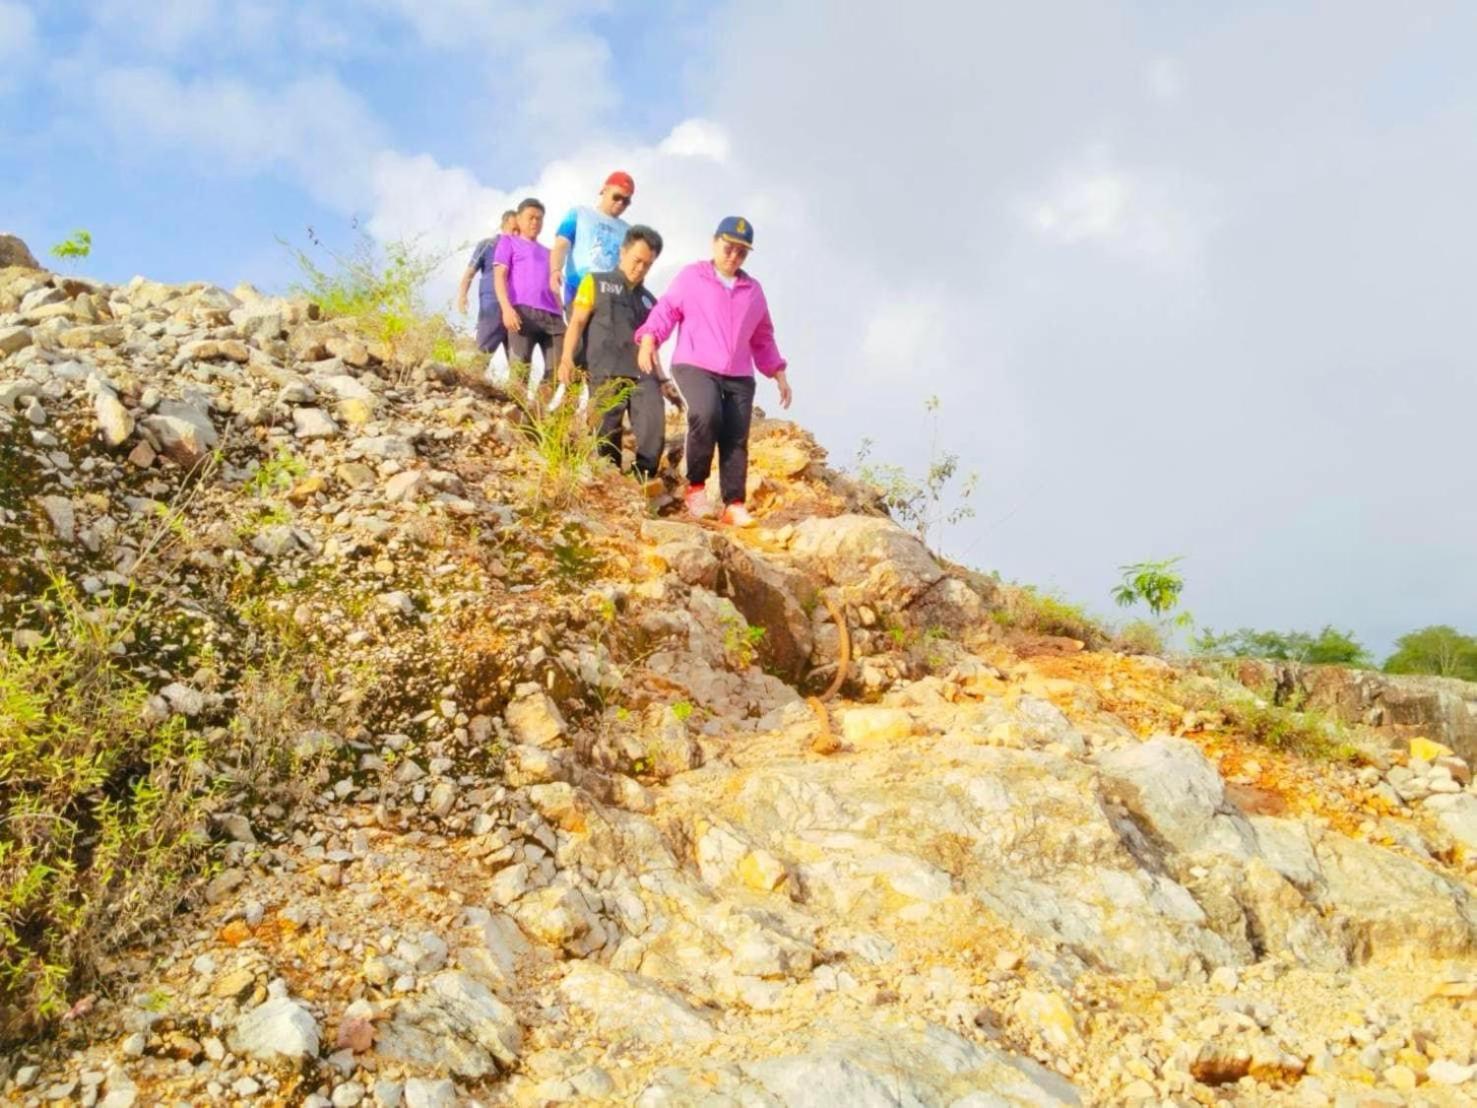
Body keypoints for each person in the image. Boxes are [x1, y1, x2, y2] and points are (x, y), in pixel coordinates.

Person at [635, 216, 791, 528]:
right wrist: (650, 337)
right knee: (706, 414)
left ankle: (734, 504)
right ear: (714, 242)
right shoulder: (692, 276)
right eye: (729, 247)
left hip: (739, 374)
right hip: (694, 363)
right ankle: (695, 489)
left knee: (736, 434)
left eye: (742, 252)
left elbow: (762, 336)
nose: (734, 256)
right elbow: (666, 309)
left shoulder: (753, 290)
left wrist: (778, 372)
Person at [557, 225, 668, 483]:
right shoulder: (594, 282)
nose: (640, 268)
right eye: (637, 260)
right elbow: (577, 323)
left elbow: (652, 345)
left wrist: (662, 379)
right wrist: (566, 358)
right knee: (605, 439)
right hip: (605, 371)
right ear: (623, 252)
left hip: (643, 375)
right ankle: (613, 488)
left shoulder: (651, 301)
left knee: (654, 431)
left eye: (647, 265)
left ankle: (641, 484)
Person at [493, 198, 565, 402]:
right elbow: (499, 276)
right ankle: (516, 420)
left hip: (553, 317)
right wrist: (506, 309)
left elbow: (555, 287)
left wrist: (562, 313)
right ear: (518, 219)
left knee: (557, 370)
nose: (535, 222)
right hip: (522, 312)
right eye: (531, 217)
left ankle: (536, 415)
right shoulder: (508, 242)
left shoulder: (550, 253)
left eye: (539, 219)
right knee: (520, 372)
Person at [549, 171, 635, 313]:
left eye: (626, 201)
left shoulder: (629, 231)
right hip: (580, 288)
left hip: (612, 296)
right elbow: (561, 244)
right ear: (604, 189)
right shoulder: (579, 213)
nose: (620, 203)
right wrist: (555, 270)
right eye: (617, 196)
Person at [456, 209, 517, 365]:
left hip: (516, 312)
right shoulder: (488, 245)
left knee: (519, 365)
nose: (516, 234)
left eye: (519, 231)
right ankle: (467, 387)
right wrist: (462, 295)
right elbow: (469, 272)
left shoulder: (521, 250)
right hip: (492, 309)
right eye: (513, 230)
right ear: (504, 225)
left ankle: (515, 390)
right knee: (481, 357)